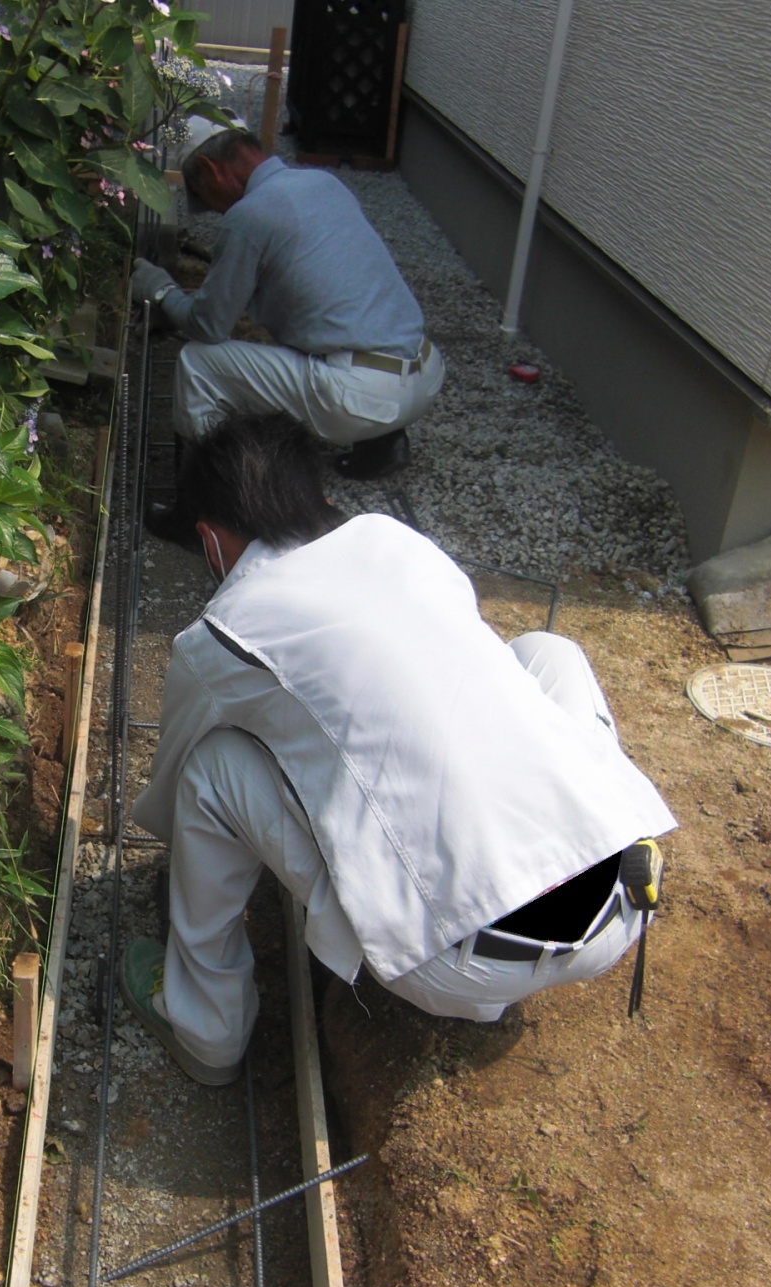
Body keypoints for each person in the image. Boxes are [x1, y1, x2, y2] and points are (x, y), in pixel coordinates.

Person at [120, 416, 677, 1085]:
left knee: (211, 775)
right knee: (545, 653)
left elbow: (178, 772)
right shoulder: (395, 542)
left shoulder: (227, 630)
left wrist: (169, 843)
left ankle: (207, 1033)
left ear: (210, 538)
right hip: (618, 901)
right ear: (317, 497)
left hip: (457, 959)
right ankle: (592, 838)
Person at [129, 127, 444, 491]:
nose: (216, 210)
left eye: (204, 196)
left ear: (211, 168)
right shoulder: (323, 184)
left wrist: (161, 289)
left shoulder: (249, 215)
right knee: (343, 315)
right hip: (425, 377)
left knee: (198, 362)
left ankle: (199, 504)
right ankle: (384, 445)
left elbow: (209, 326)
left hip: (362, 399)